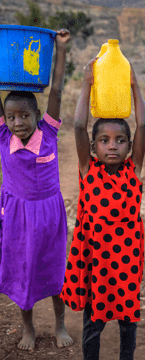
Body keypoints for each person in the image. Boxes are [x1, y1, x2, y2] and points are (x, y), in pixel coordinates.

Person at [60, 57, 145, 360]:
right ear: (94, 145)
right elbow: (77, 125)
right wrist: (86, 84)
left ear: (129, 145)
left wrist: (135, 84)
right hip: (95, 260)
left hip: (126, 261)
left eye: (120, 140)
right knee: (93, 325)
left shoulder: (132, 172)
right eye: (104, 140)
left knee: (128, 324)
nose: (113, 146)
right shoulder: (89, 170)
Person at [0, 29, 73, 351]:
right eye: (11, 117)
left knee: (55, 271)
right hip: (16, 215)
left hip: (48, 214)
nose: (18, 122)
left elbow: (55, 87)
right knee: (22, 271)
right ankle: (28, 328)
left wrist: (60, 49)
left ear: (37, 115)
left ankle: (59, 324)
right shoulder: (3, 137)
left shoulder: (50, 132)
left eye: (25, 115)